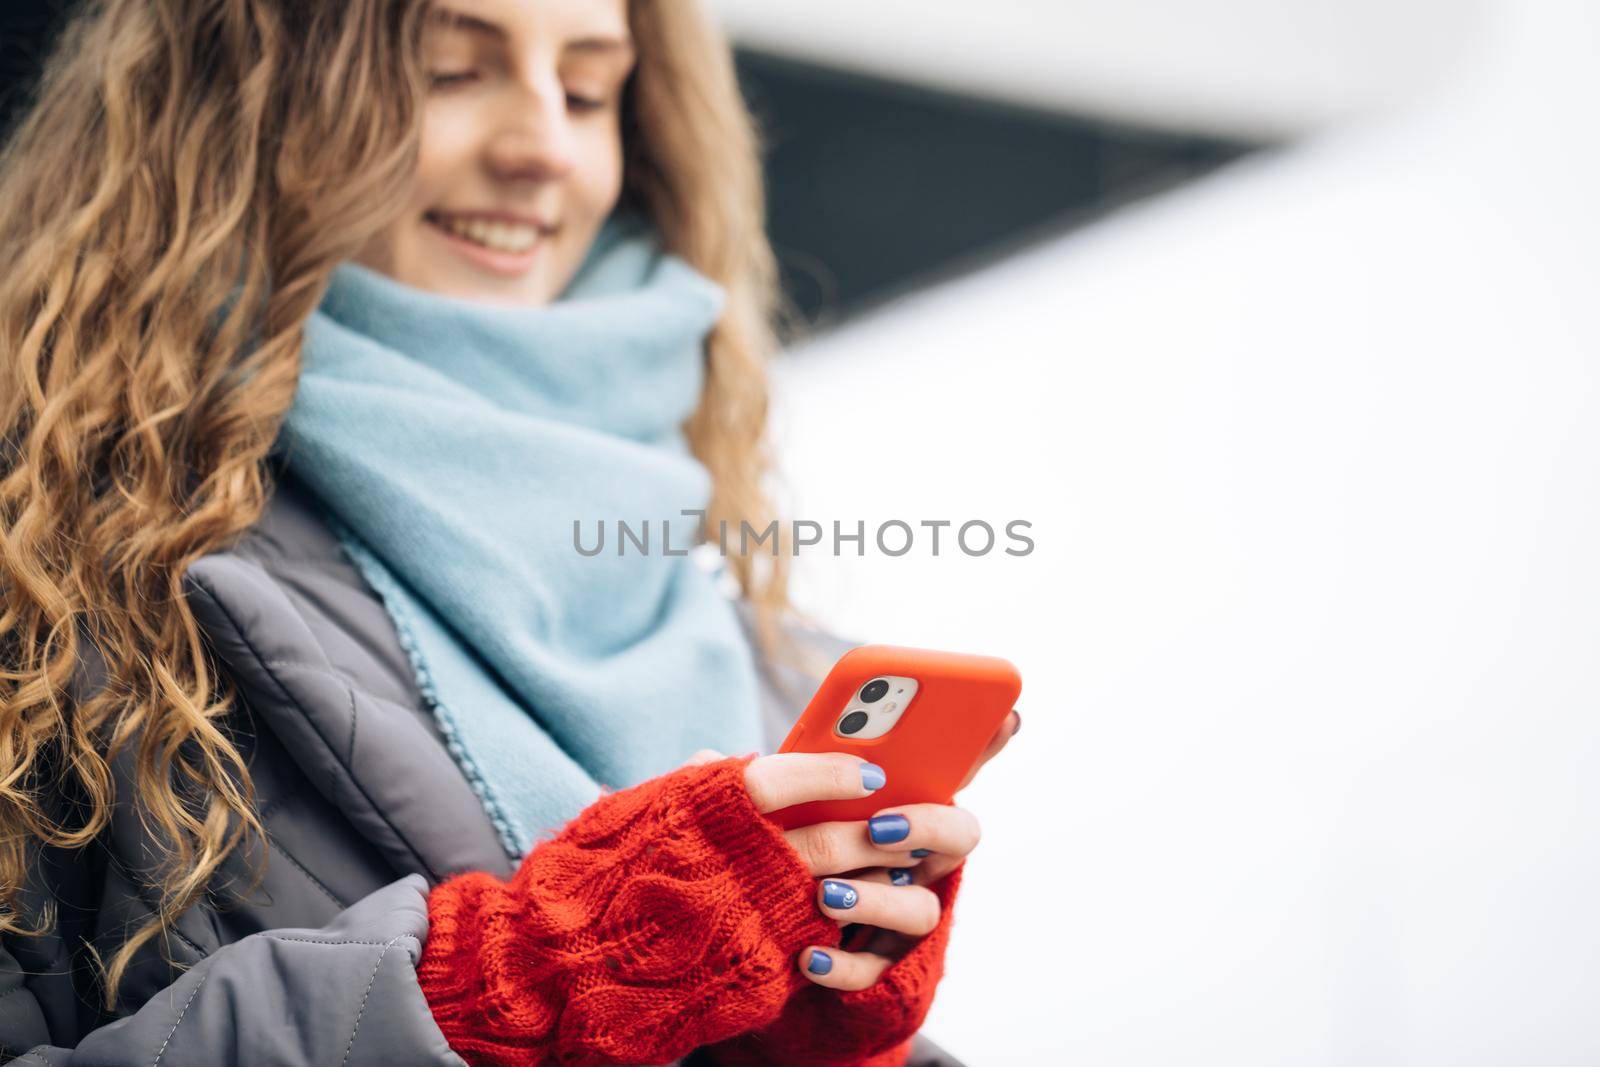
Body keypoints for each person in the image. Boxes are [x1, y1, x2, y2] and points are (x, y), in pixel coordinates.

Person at [0, 0, 1021, 1063]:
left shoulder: (715, 592)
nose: (543, 150)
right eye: (447, 74)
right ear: (230, 109)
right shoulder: (45, 562)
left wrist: (819, 1048)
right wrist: (505, 991)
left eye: (586, 92)